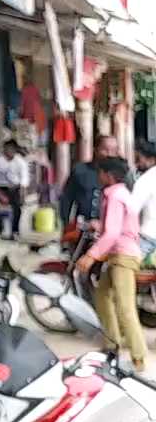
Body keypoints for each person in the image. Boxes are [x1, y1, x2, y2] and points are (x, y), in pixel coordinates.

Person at [78, 157, 148, 373]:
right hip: (118, 254)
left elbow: (112, 233)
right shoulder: (120, 194)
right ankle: (112, 345)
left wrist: (91, 256)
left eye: (100, 172)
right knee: (102, 297)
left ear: (108, 175)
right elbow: (114, 225)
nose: (98, 176)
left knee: (125, 307)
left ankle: (139, 358)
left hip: (123, 255)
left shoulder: (115, 196)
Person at [61, 135, 124, 228]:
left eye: (114, 150)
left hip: (114, 229)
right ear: (96, 149)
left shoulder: (122, 174)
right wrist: (66, 225)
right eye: (105, 149)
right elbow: (66, 199)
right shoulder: (80, 171)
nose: (110, 154)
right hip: (85, 228)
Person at [0, 140, 30, 239]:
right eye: (7, 149)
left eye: (12, 149)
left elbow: (24, 180)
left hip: (14, 188)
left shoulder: (20, 162)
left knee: (17, 209)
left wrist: (22, 195)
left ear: (15, 150)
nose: (9, 151)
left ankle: (15, 232)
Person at [126, 140, 156, 263]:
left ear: (152, 159)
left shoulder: (146, 180)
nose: (136, 163)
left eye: (138, 158)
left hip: (148, 238)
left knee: (123, 267)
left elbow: (131, 210)